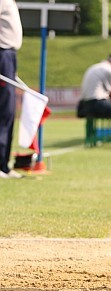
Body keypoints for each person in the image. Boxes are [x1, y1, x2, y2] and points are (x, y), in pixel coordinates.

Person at [0, 0, 22, 179]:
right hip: (3, 53)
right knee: (4, 111)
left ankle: (4, 165)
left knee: (8, 113)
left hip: (9, 55)